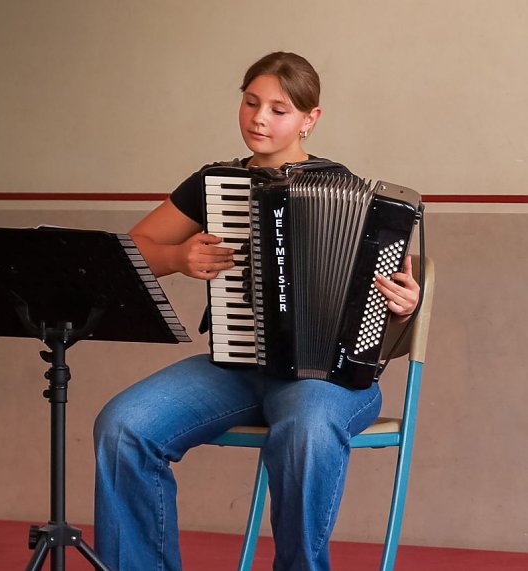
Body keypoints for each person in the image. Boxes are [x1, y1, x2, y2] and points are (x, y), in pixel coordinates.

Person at [92, 52, 420, 571]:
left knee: (308, 429)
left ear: (310, 119)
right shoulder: (212, 183)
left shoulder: (353, 194)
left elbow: (390, 302)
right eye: (250, 103)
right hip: (238, 368)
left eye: (278, 109)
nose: (259, 119)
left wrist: (406, 303)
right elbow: (132, 252)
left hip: (330, 379)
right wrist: (178, 257)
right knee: (124, 424)